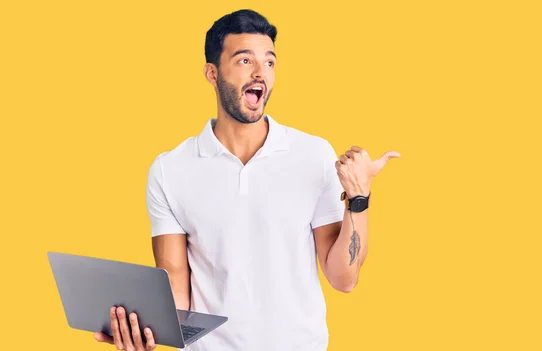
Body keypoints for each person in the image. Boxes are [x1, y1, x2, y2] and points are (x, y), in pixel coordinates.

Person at [93, 9, 399, 351]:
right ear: (212, 73)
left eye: (269, 62)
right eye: (244, 61)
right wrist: (141, 331)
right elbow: (177, 292)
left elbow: (344, 279)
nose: (260, 73)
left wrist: (358, 197)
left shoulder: (312, 154)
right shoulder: (170, 169)